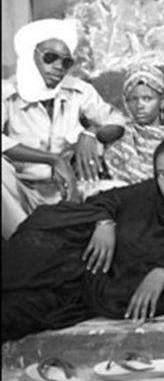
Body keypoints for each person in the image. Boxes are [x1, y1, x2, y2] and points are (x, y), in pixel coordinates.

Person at [2, 131, 164, 342]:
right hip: (81, 264)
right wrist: (105, 222)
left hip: (92, 290)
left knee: (16, 311)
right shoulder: (150, 192)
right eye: (162, 174)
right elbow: (107, 199)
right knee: (37, 248)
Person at [2, 18, 125, 239]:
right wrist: (53, 160)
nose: (59, 67)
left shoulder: (79, 90)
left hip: (69, 190)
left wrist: (92, 133)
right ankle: (26, 238)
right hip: (22, 194)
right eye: (50, 58)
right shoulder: (7, 93)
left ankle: (52, 231)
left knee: (124, 192)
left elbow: (117, 121)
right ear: (31, 55)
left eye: (66, 62)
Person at [102, 60, 164, 185]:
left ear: (162, 101)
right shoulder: (119, 141)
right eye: (133, 99)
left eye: (147, 99)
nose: (139, 105)